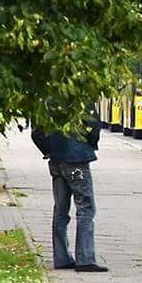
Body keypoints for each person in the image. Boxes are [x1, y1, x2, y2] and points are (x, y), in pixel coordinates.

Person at [30, 110, 106, 272]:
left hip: (56, 161)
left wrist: (49, 149)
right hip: (77, 159)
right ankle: (85, 258)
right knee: (85, 207)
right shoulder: (80, 95)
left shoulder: (45, 99)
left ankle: (61, 257)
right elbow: (93, 125)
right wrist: (88, 143)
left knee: (60, 209)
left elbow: (36, 133)